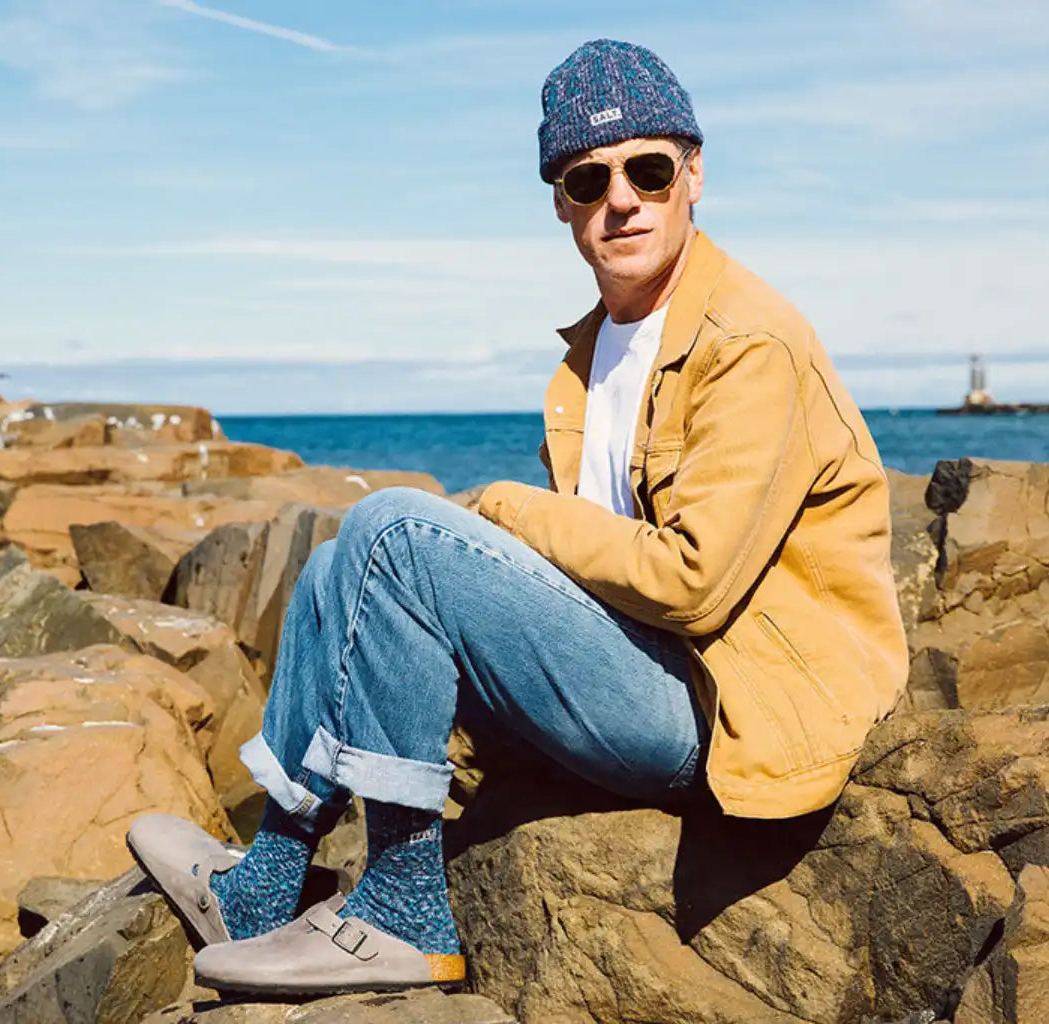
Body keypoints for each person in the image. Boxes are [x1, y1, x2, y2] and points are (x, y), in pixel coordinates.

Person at [127, 38, 908, 997]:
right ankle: (268, 880)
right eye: (589, 179)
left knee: (401, 533)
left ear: (695, 174)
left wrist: (503, 509)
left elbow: (692, 585)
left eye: (649, 170)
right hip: (638, 668)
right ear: (561, 203)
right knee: (343, 560)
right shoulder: (592, 356)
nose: (621, 199)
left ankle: (401, 911)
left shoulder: (750, 342)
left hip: (721, 709)